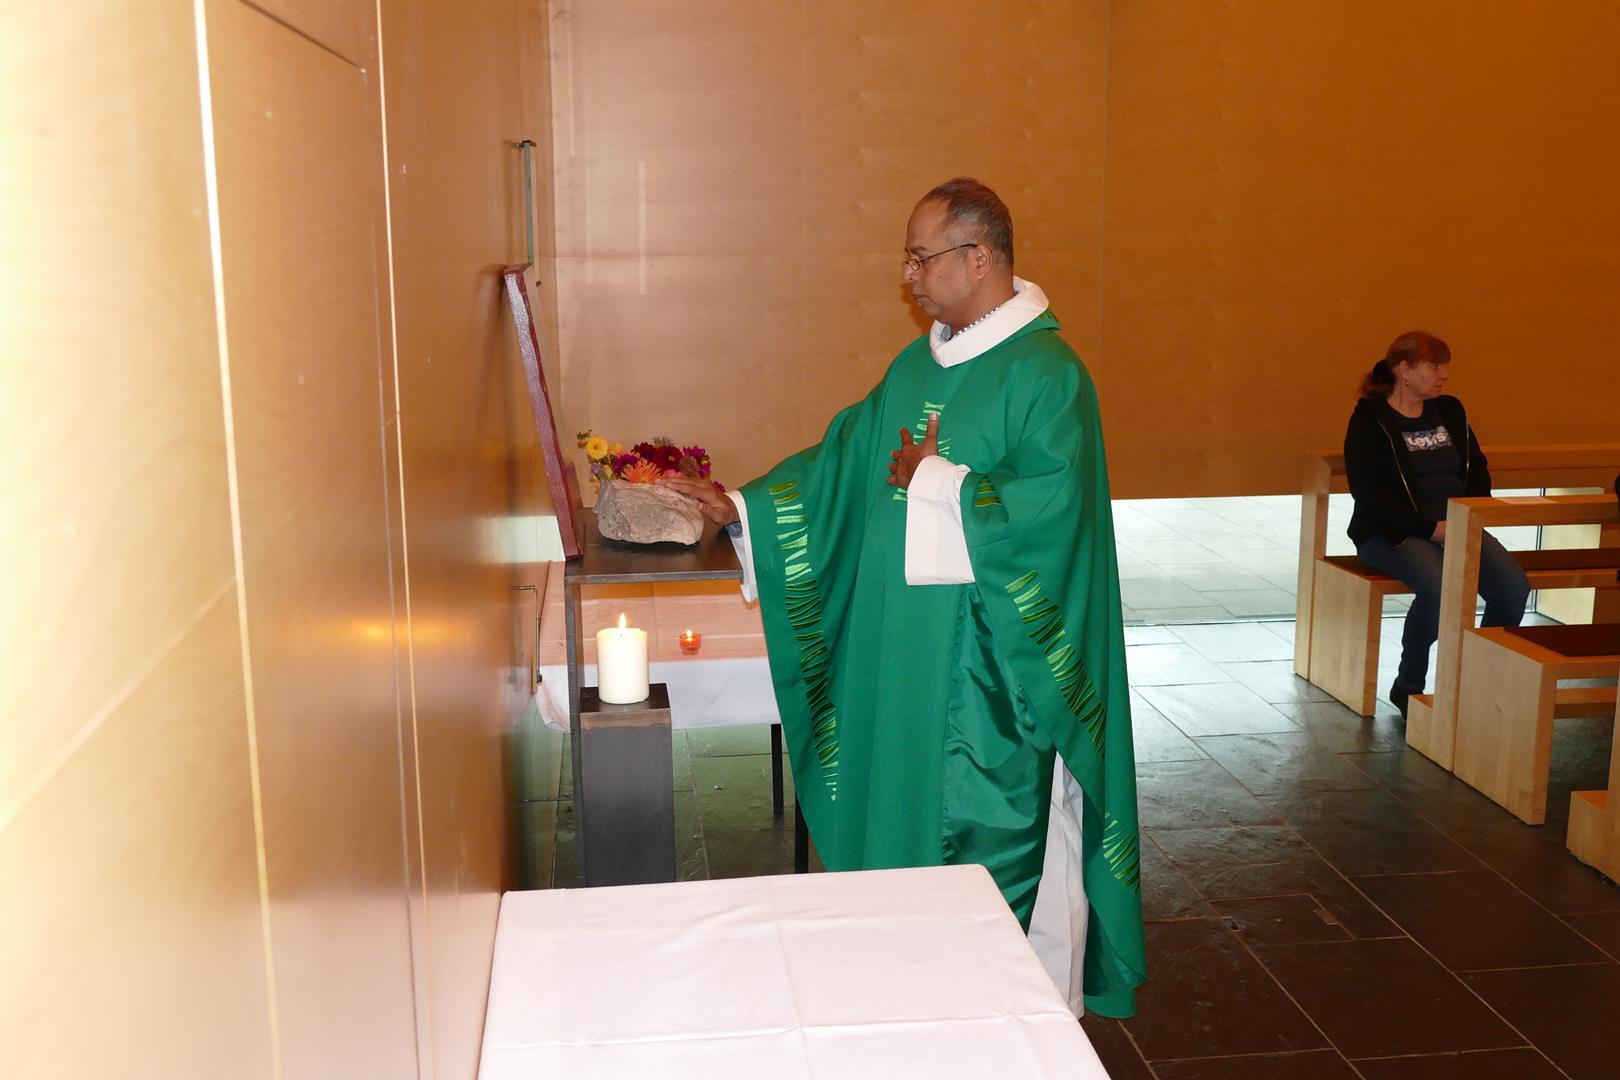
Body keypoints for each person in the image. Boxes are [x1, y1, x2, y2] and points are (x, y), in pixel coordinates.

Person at [662, 179, 1145, 1018]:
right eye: (908, 259)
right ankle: (908, 998)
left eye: (922, 258)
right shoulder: (918, 364)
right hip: (904, 662)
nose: (909, 276)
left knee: (1000, 854)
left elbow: (1051, 518)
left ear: (979, 257)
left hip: (993, 681)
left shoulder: (1049, 375)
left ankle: (1016, 1023)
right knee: (902, 831)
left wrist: (943, 482)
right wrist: (742, 506)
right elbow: (843, 463)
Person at [1344, 330, 1531, 718]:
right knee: (1440, 589)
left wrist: (1471, 515)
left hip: (1458, 525)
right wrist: (1430, 529)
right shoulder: (1371, 420)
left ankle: (1475, 681)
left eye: (1443, 366)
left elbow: (1476, 470)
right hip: (1392, 533)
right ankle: (1409, 684)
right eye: (1434, 366)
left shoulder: (1450, 411)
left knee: (1513, 588)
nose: (1443, 374)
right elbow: (1370, 494)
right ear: (1405, 369)